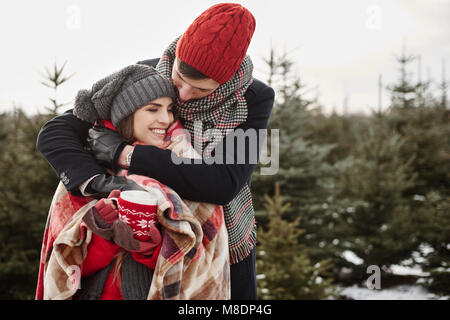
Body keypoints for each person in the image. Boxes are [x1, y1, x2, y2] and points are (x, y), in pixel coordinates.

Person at [36, 3, 275, 300]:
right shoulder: (147, 73)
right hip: (139, 239)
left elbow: (223, 181)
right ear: (176, 58)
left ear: (226, 81)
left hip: (219, 239)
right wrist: (97, 182)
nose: (183, 95)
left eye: (200, 90)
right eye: (179, 79)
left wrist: (127, 155)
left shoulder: (253, 99)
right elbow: (55, 132)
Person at [37, 64, 230, 300]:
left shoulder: (183, 162)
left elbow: (195, 270)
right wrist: (101, 237)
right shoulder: (89, 165)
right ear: (126, 114)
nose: (165, 119)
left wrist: (150, 248)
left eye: (170, 109)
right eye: (153, 109)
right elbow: (68, 270)